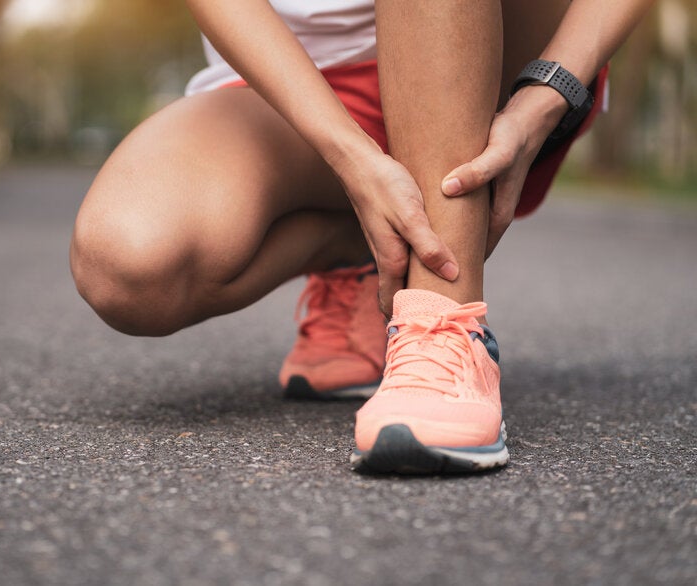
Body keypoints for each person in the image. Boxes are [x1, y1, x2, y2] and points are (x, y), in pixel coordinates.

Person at [70, 0, 653, 474]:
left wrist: (553, 88)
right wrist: (349, 156)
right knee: (126, 264)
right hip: (297, 81)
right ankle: (367, 258)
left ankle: (442, 325)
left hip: (499, 56)